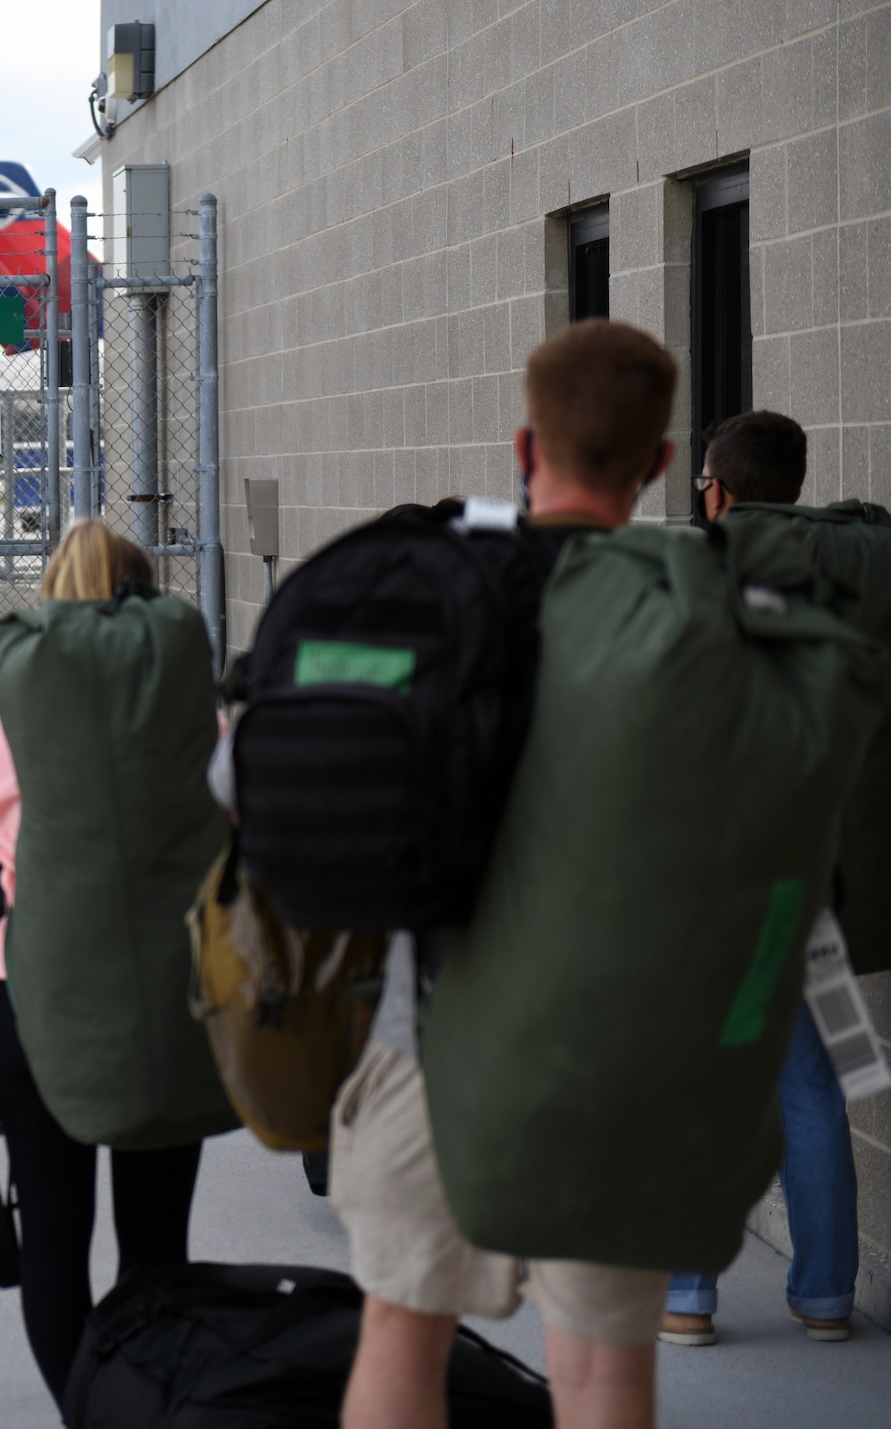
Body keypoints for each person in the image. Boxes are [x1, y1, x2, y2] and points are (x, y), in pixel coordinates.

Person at [329, 320, 679, 1429]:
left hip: (428, 1034)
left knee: (399, 1335)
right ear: (660, 464)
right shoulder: (692, 616)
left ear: (525, 449)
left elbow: (241, 776)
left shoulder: (438, 604)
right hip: (615, 1052)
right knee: (603, 1371)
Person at [0, 519, 213, 1405]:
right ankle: (156, 1403)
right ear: (151, 601)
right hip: (171, 997)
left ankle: (89, 1412)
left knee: (55, 1240)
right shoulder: (202, 715)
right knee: (158, 1246)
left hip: (30, 1005)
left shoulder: (4, 727)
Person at [660, 410, 859, 1347]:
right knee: (812, 1084)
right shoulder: (845, 576)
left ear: (723, 490)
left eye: (704, 481)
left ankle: (688, 1297)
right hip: (816, 875)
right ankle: (824, 1300)